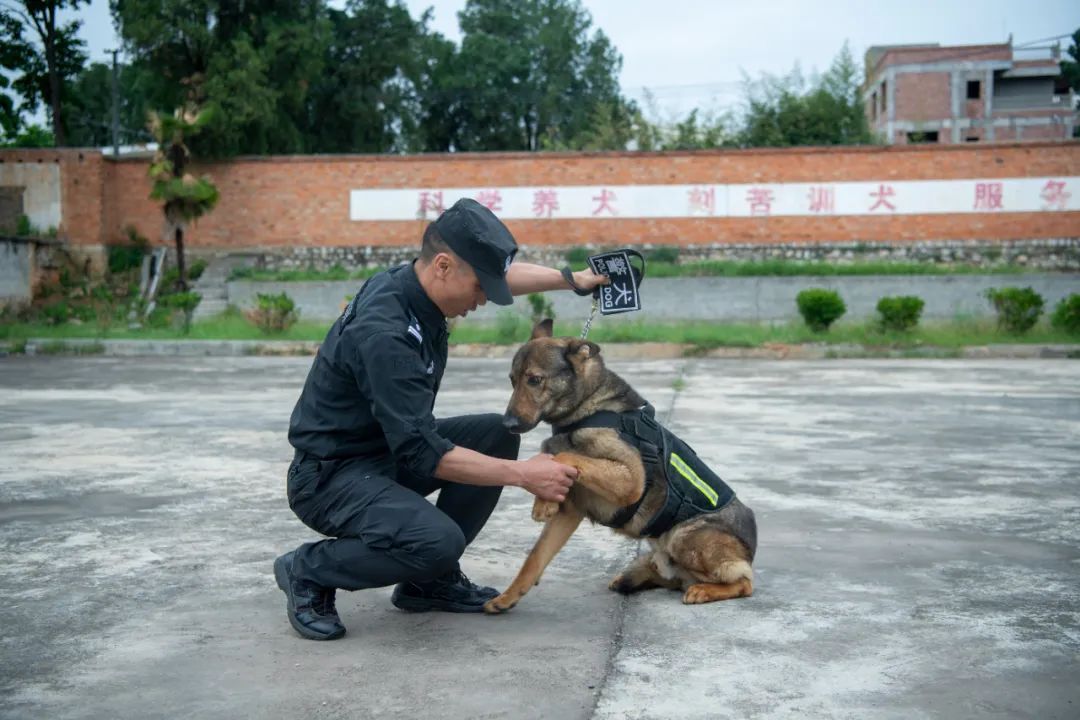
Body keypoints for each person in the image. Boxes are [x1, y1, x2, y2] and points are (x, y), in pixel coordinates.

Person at [273, 197, 608, 640]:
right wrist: (524, 475)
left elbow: (496, 274)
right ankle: (308, 569)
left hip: (383, 455)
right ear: (444, 267)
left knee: (495, 433)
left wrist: (575, 280)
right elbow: (422, 451)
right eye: (479, 288)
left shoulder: (418, 283)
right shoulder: (386, 334)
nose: (484, 299)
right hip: (331, 476)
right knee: (438, 542)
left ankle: (426, 584)